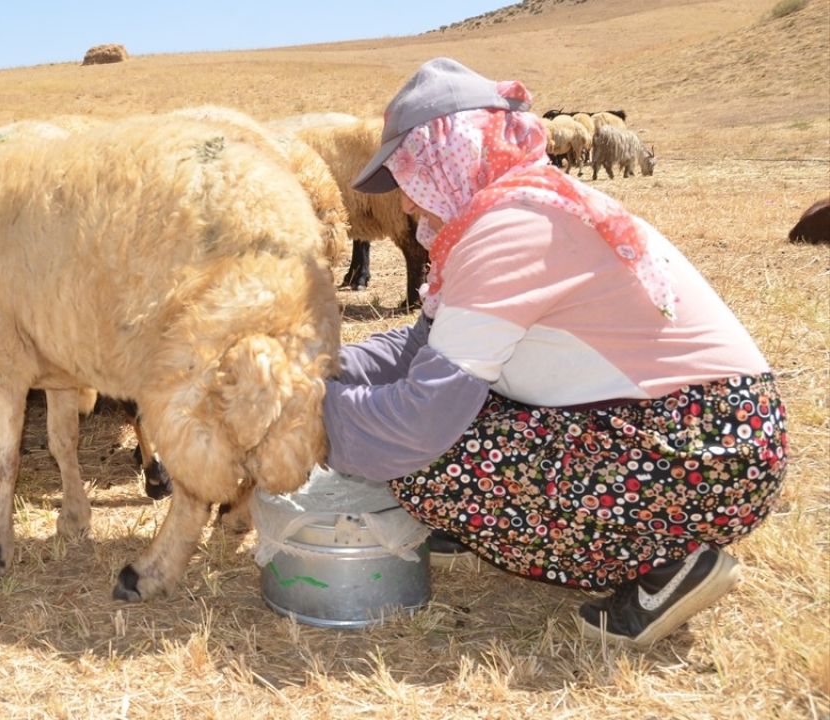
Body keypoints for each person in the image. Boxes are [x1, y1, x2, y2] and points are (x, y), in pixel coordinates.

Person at [321, 57, 787, 648]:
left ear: (450, 156)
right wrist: (311, 369)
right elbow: (418, 349)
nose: (408, 205)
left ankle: (664, 562)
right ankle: (512, 529)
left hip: (697, 451)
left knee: (429, 459)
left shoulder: (509, 228)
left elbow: (420, 421)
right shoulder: (520, 208)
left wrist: (301, 413)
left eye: (409, 177)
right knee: (449, 419)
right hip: (711, 435)